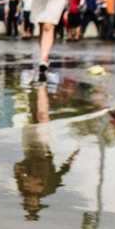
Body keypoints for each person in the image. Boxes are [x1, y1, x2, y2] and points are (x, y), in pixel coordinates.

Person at [13, 84, 79, 220]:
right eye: (33, 206)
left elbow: (17, 166)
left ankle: (33, 91)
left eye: (28, 205)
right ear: (39, 204)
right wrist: (72, 157)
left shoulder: (21, 187)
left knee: (31, 119)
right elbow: (61, 172)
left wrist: (25, 175)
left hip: (30, 149)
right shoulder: (49, 188)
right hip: (44, 150)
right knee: (42, 118)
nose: (31, 202)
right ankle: (41, 91)